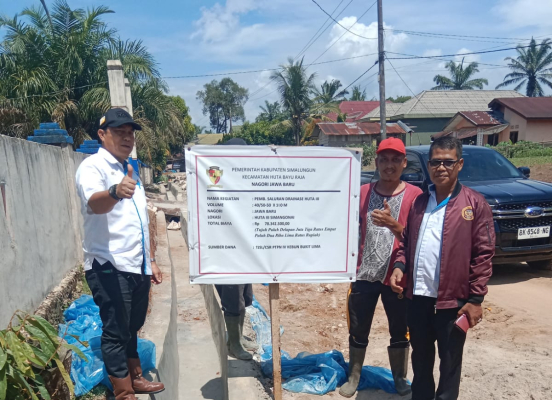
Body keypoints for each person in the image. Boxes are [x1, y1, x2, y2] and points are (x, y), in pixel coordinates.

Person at [390, 137, 495, 400]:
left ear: (459, 164)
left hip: (453, 302)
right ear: (428, 165)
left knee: (450, 364)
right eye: (436, 162)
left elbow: (483, 254)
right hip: (418, 299)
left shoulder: (474, 203)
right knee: (421, 360)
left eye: (448, 162)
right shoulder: (419, 203)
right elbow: (406, 241)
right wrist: (400, 266)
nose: (441, 168)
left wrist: (475, 299)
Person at [76, 108, 165, 400]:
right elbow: (95, 203)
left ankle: (135, 376)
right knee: (115, 329)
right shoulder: (93, 167)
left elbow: (140, 221)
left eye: (130, 133)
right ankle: (124, 392)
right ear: (102, 135)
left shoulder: (130, 170)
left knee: (132, 325)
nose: (127, 138)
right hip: (108, 264)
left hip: (136, 265)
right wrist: (115, 191)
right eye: (119, 132)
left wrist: (151, 261)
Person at [340, 138, 422, 398]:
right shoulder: (362, 193)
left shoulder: (415, 196)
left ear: (404, 163)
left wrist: (393, 224)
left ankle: (399, 377)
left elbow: (417, 238)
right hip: (364, 273)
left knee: (400, 328)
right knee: (358, 326)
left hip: (397, 276)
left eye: (396, 160)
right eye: (384, 159)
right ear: (376, 162)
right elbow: (345, 227)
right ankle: (354, 376)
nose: (389, 165)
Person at [214, 136, 257, 361]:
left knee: (244, 297)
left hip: (244, 250)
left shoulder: (245, 182)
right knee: (232, 299)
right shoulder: (217, 183)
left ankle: (237, 337)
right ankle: (233, 344)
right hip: (225, 252)